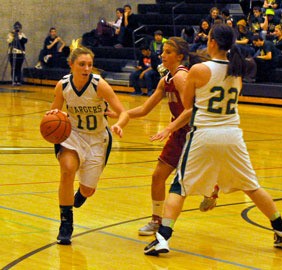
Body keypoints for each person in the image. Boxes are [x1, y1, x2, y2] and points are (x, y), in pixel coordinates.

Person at [144, 24, 282, 256]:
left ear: (212, 42)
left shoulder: (198, 69)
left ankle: (162, 238)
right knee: (252, 186)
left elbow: (187, 105)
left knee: (179, 187)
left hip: (204, 133)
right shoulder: (237, 69)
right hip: (232, 134)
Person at [117, 37, 216, 236]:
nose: (162, 55)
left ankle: (212, 188)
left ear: (180, 56)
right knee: (157, 176)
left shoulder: (181, 77)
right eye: (163, 51)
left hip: (194, 134)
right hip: (179, 133)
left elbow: (192, 109)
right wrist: (123, 114)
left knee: (185, 181)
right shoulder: (166, 79)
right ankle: (156, 220)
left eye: (168, 52)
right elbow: (145, 109)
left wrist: (168, 128)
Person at [48, 46, 129, 245]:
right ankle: (65, 223)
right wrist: (54, 119)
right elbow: (53, 112)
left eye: (90, 65)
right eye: (82, 64)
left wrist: (118, 123)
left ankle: (80, 195)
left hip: (97, 139)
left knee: (88, 190)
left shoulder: (99, 85)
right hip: (73, 136)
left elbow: (123, 112)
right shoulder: (63, 86)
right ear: (71, 65)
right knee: (67, 170)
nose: (86, 68)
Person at [7, 21, 28, 85]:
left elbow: (25, 40)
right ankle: (13, 80)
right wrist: (13, 35)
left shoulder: (22, 34)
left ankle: (18, 80)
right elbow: (9, 41)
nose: (17, 29)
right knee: (13, 67)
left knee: (19, 67)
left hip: (20, 53)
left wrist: (19, 35)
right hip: (12, 53)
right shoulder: (10, 34)